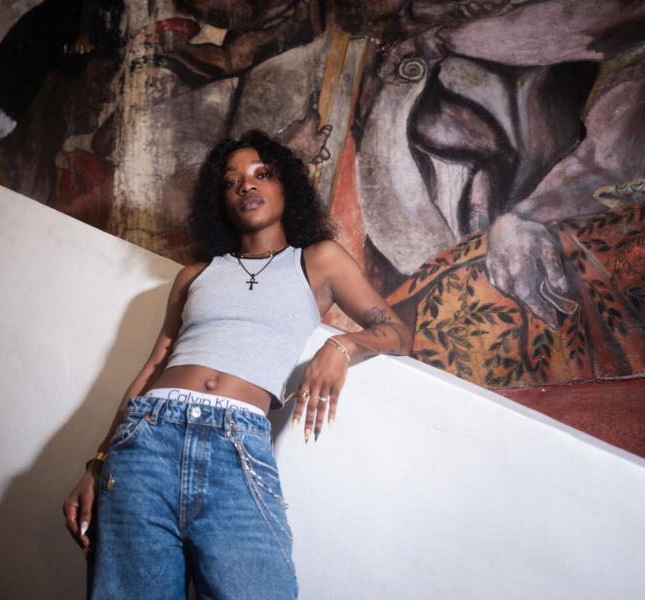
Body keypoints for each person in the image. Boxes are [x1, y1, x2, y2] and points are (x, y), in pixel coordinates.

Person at [63, 130, 412, 599]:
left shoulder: (319, 261)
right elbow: (151, 369)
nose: (246, 185)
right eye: (232, 182)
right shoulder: (195, 275)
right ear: (221, 202)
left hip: (238, 447)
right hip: (146, 443)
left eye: (262, 174)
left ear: (286, 187)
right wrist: (97, 463)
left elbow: (398, 333)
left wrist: (342, 347)